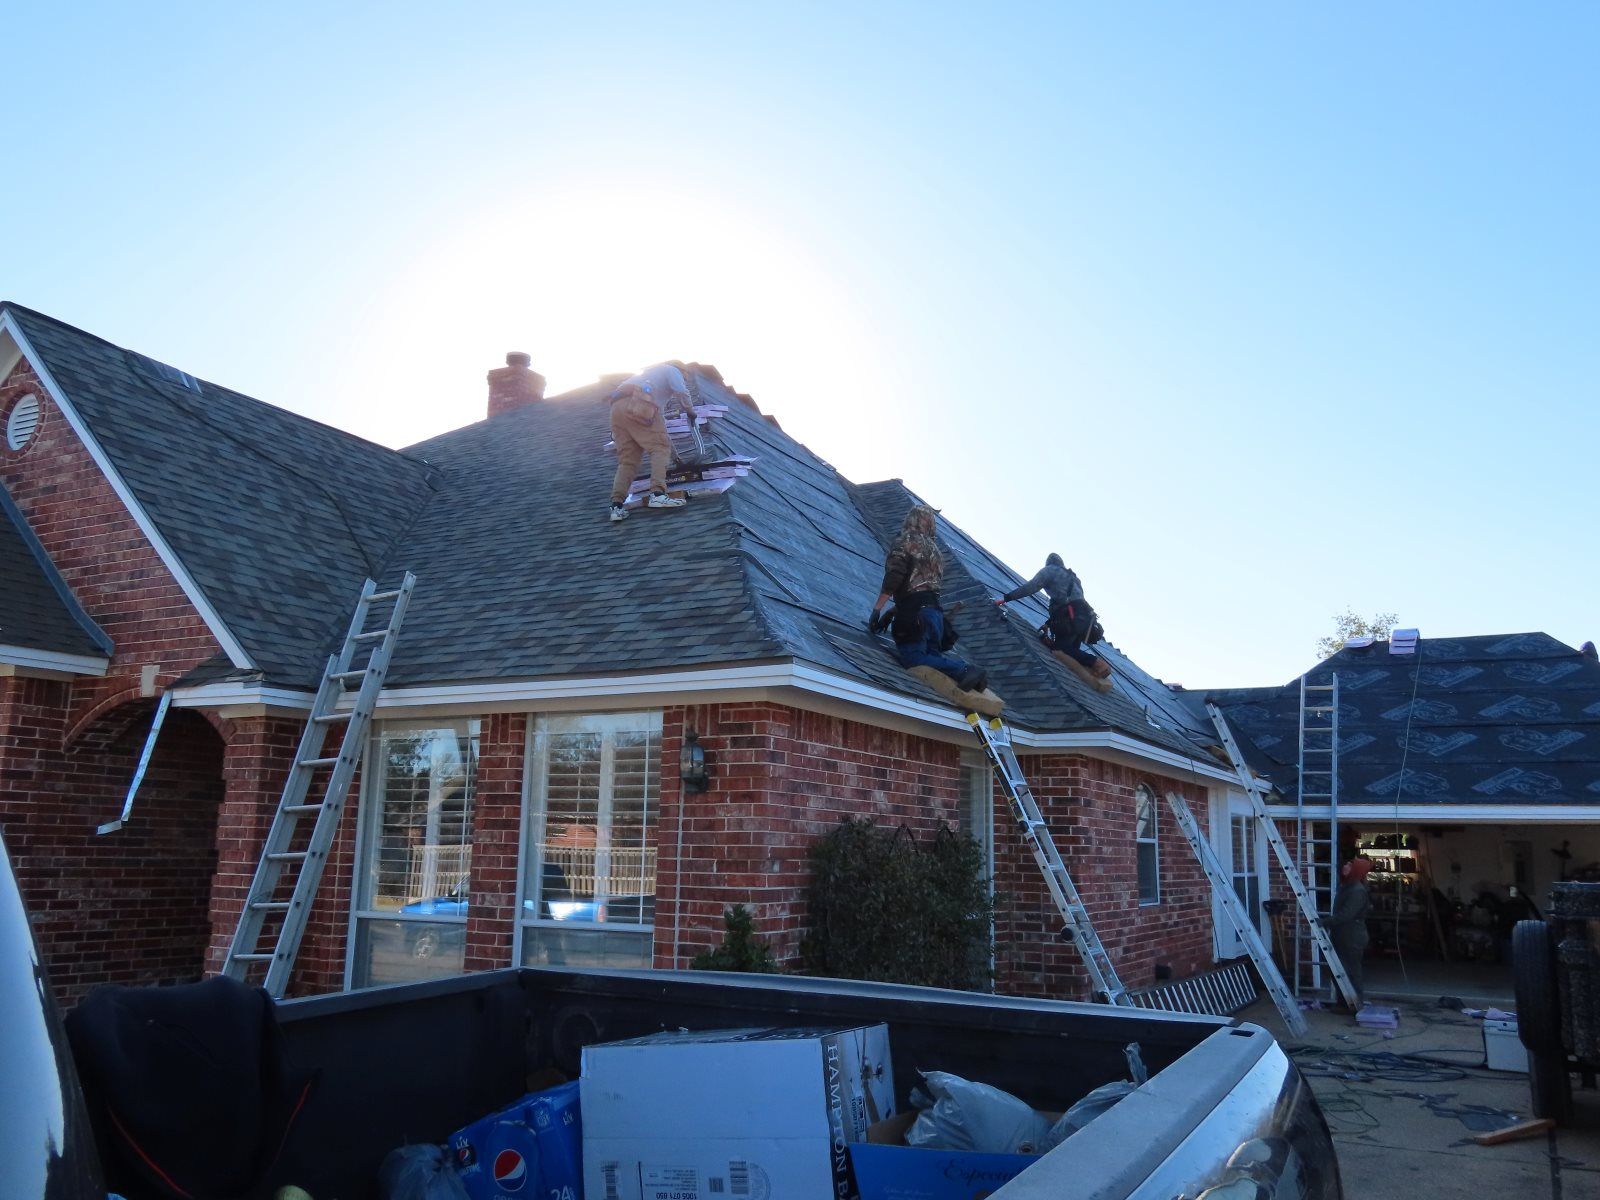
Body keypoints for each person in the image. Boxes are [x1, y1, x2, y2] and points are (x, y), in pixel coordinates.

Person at [869, 504, 988, 693]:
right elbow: (922, 587)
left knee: (913, 659)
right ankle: (971, 680)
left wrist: (877, 609)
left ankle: (965, 669)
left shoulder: (906, 541)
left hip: (915, 616)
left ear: (910, 519)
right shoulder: (936, 552)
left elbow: (895, 576)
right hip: (934, 616)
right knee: (932, 664)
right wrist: (892, 612)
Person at [995, 553, 1110, 678]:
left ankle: (1097, 663)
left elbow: (1031, 587)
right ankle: (1094, 671)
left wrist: (1006, 598)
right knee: (1071, 657)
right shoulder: (1073, 578)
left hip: (1070, 618)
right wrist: (1048, 624)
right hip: (1083, 620)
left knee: (1060, 649)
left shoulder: (1050, 570)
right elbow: (1069, 604)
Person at [607, 363, 695, 522]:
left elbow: (658, 431)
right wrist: (691, 411)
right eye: (685, 377)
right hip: (639, 404)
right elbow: (681, 390)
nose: (684, 379)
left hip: (616, 409)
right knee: (660, 448)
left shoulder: (647, 376)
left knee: (628, 461)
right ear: (681, 371)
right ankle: (658, 495)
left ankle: (616, 506)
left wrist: (674, 456)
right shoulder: (672, 369)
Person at [1322, 857, 1373, 1008]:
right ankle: (1344, 1003)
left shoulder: (1357, 890)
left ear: (1357, 871)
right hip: (1342, 934)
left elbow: (1346, 914)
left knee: (1351, 971)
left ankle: (1356, 1005)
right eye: (1347, 863)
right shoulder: (1346, 886)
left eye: (1350, 865)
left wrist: (1324, 922)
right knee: (1338, 970)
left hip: (1352, 937)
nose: (1345, 865)